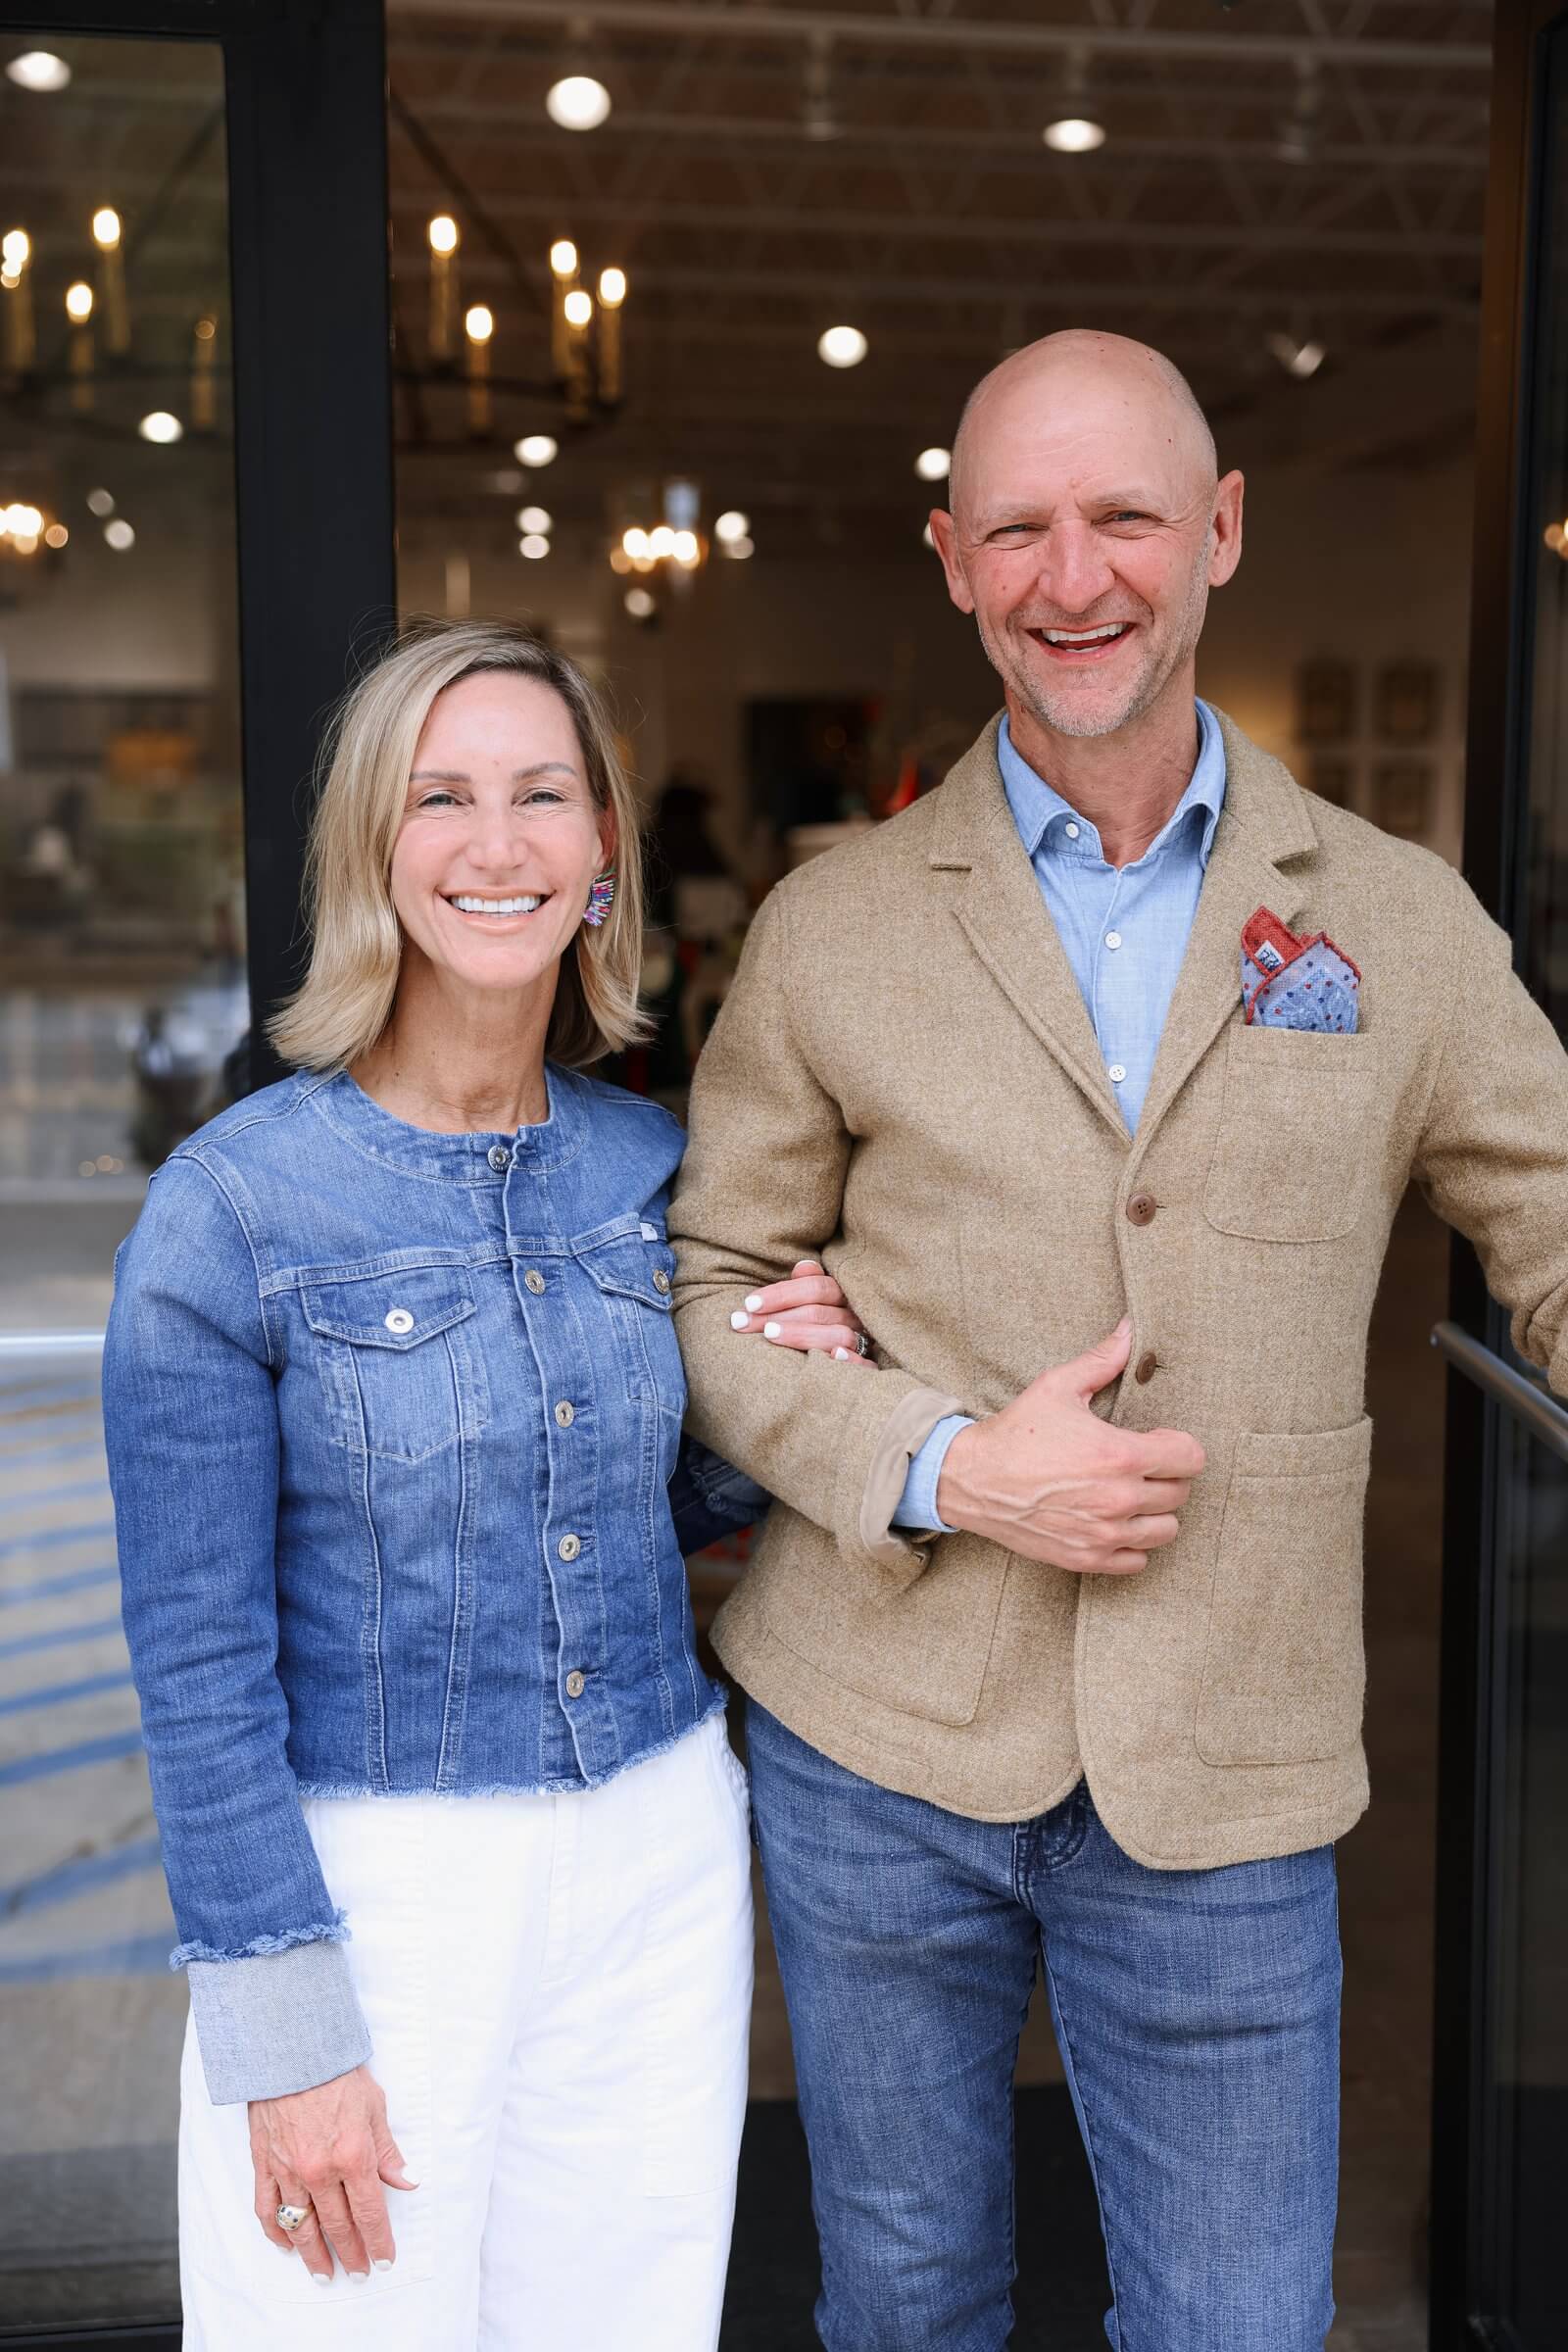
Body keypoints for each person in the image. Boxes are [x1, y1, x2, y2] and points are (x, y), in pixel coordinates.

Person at [669, 329, 1568, 2350]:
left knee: (1239, 2323)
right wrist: (936, 1461)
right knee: (904, 2301)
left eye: (1122, 517)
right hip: (874, 1744)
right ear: (950, 558)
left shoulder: (1401, 925)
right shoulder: (833, 923)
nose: (1070, 575)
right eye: (1016, 528)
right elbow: (709, 1275)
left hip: (1229, 1762)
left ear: (1221, 532)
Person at [102, 619, 869, 2350]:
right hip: (376, 1893)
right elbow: (198, 1668)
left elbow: (633, 1509)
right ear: (375, 852)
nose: (498, 842)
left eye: (542, 794)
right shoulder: (232, 1217)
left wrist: (777, 1389)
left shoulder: (657, 1169)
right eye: (442, 798)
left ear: (605, 853)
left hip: (658, 1863)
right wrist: (283, 2034)